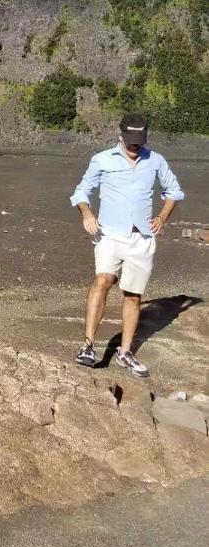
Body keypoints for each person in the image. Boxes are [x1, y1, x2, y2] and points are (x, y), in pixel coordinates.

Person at [69, 113, 185, 377]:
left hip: (141, 238)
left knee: (133, 295)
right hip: (109, 234)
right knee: (103, 280)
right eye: (130, 141)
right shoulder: (101, 159)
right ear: (120, 136)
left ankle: (124, 353)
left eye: (139, 141)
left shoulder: (155, 160)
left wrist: (162, 218)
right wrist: (87, 214)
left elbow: (174, 191)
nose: (135, 146)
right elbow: (81, 192)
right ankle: (88, 346)